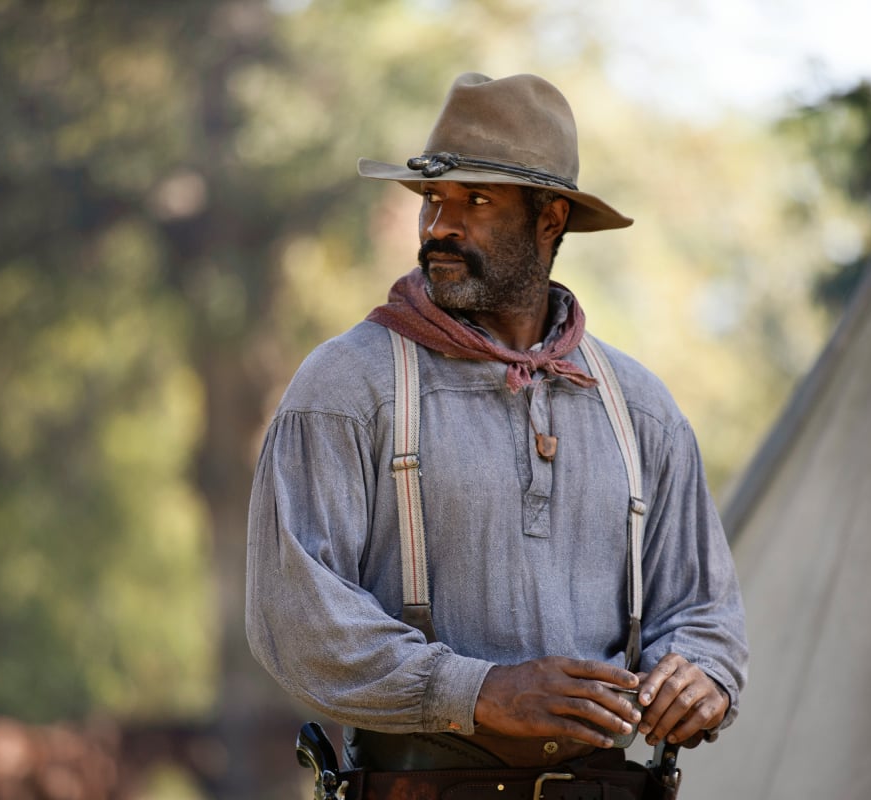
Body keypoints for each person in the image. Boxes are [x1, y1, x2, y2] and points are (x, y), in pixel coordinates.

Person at [246, 72, 747, 798]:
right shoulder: (347, 388)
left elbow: (705, 614)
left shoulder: (640, 408)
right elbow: (297, 622)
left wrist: (702, 678)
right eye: (432, 200)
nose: (438, 226)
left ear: (550, 220)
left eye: (474, 200)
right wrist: (477, 692)